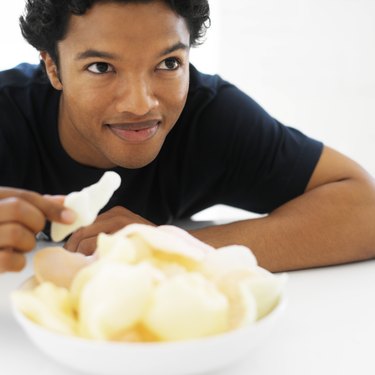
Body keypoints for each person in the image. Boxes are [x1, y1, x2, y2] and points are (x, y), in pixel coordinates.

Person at [1, 0, 374, 274]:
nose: (140, 104)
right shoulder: (7, 113)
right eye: (101, 67)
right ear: (53, 66)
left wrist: (171, 246)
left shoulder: (210, 118)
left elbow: (365, 209)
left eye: (168, 64)